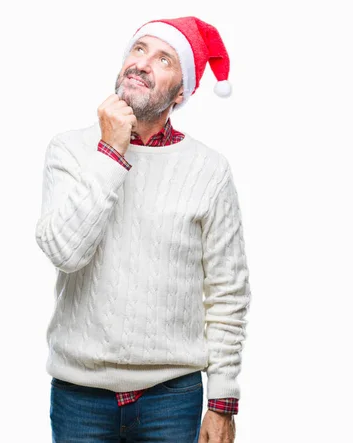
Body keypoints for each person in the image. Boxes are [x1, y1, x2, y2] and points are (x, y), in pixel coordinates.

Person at [35, 16, 251, 443]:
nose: (143, 63)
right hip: (80, 398)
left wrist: (223, 402)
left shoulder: (208, 169)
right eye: (138, 50)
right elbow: (64, 251)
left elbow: (228, 290)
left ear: (181, 92)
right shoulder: (70, 151)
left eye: (163, 58)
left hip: (172, 397)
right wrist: (111, 151)